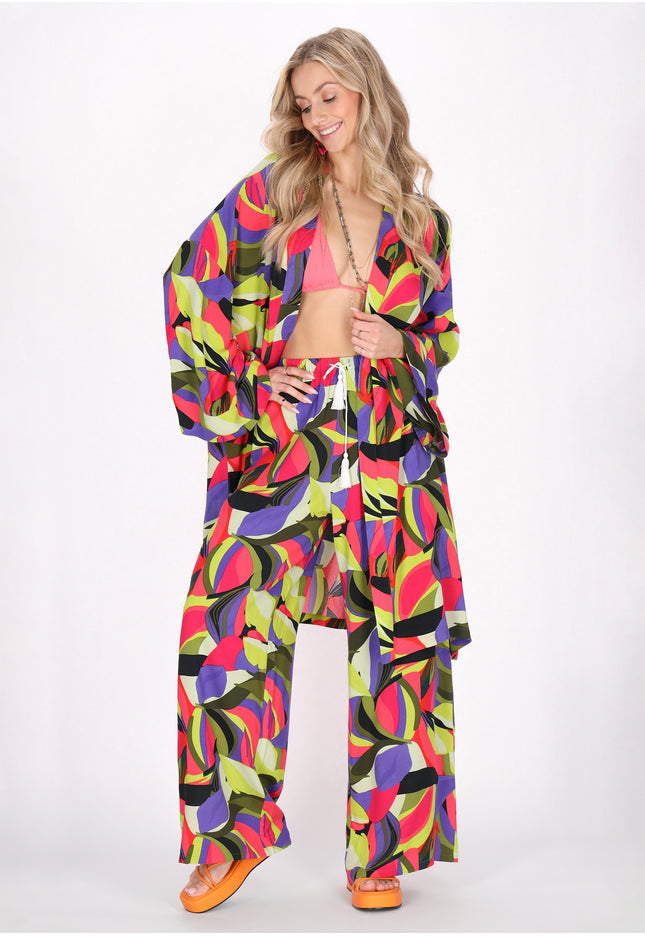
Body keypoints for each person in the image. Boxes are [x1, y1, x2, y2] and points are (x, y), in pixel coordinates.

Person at [163, 26, 471, 913]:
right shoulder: (274, 193)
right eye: (303, 103)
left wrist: (403, 345)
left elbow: (442, 335)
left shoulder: (422, 221)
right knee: (227, 630)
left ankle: (382, 852)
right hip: (287, 432)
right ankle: (232, 838)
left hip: (389, 439)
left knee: (400, 642)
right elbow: (189, 284)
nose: (316, 115)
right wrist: (254, 381)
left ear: (366, 90)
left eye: (328, 96)